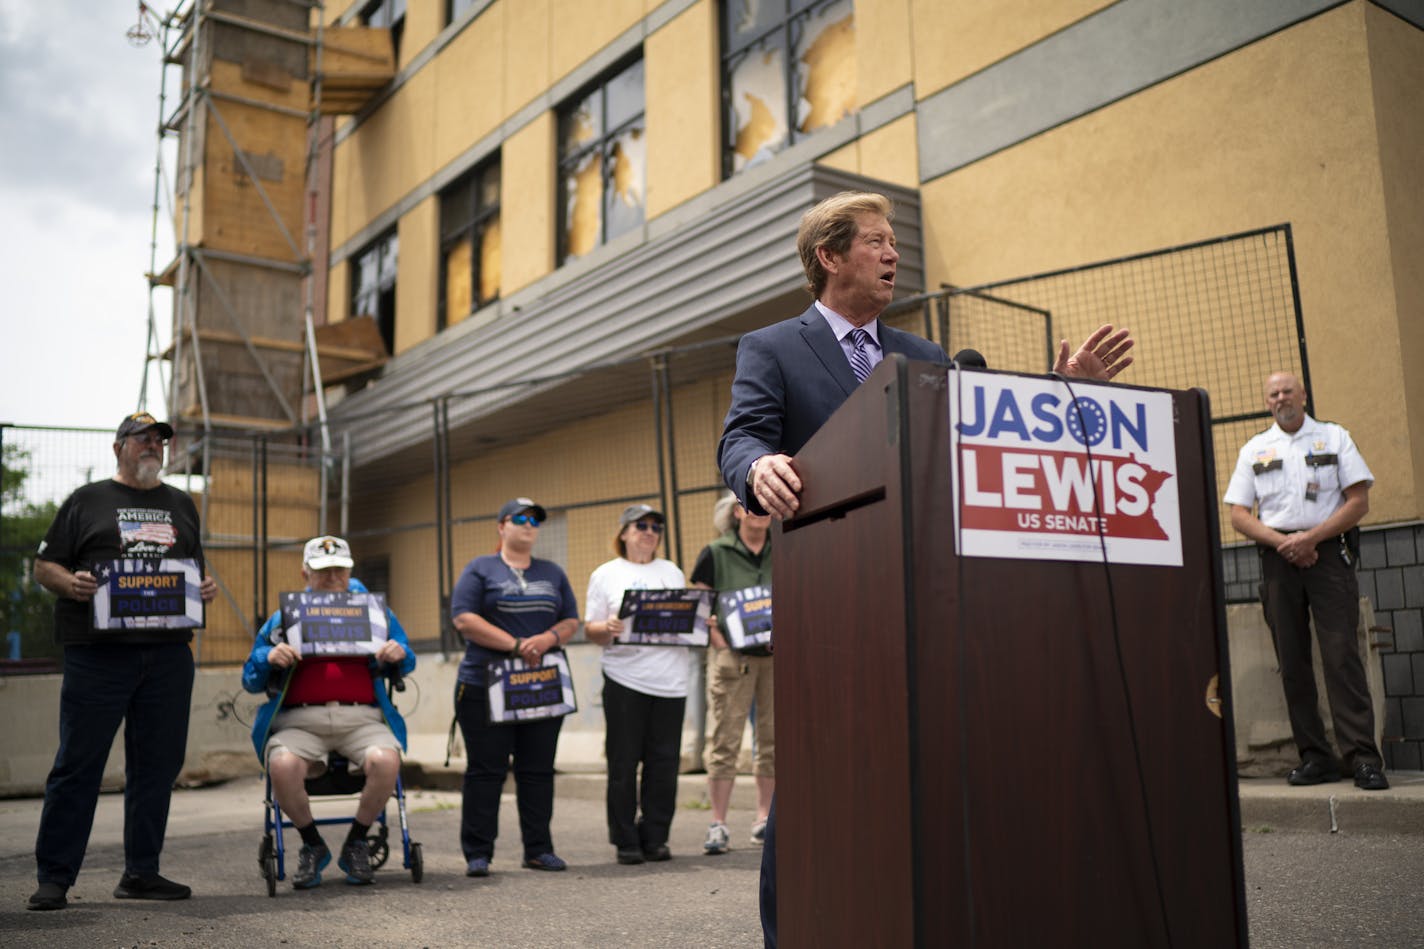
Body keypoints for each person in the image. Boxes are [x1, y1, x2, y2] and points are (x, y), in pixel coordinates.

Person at [716, 191, 1136, 946]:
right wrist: (759, 468)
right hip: (830, 596)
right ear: (829, 256)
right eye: (875, 241)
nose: (892, 253)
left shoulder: (923, 356)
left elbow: (978, 444)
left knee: (922, 765)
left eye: (893, 242)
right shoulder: (771, 347)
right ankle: (793, 929)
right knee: (816, 772)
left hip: (931, 592)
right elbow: (740, 439)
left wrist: (1060, 396)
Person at [27, 413, 219, 911]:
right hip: (98, 655)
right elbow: (44, 565)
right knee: (78, 765)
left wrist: (204, 588)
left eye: (159, 439)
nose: (154, 445)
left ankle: (141, 872)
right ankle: (55, 877)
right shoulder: (86, 500)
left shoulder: (181, 503)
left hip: (169, 655)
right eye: (143, 438)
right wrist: (71, 584)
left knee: (157, 767)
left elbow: (193, 569)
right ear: (119, 448)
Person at [1224, 370, 1388, 791]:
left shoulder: (1335, 438)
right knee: (1293, 663)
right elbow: (1239, 513)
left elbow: (1359, 501)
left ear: (1303, 395)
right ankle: (1315, 758)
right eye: (1274, 393)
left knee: (1341, 658)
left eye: (1288, 391)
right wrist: (1286, 544)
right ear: (1268, 402)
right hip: (1279, 561)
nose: (1282, 398)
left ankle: (1363, 759)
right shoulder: (1255, 448)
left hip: (1329, 555)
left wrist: (1311, 539)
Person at [241, 535, 417, 888]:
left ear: (350, 568)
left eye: (339, 569)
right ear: (304, 572)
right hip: (299, 722)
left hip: (362, 719)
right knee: (282, 764)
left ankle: (356, 841)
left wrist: (399, 654)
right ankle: (312, 844)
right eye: (323, 571)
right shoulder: (285, 617)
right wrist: (267, 656)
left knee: (387, 760)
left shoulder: (375, 613)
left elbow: (407, 657)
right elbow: (251, 678)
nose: (333, 577)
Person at [450, 498, 580, 876]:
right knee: (486, 770)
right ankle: (478, 853)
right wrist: (516, 645)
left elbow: (571, 619)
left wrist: (549, 637)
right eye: (520, 518)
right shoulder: (480, 568)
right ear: (501, 526)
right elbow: (464, 619)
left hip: (541, 685)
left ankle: (539, 849)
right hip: (484, 686)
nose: (529, 525)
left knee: (538, 770)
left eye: (535, 520)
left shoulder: (552, 572)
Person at [584, 503, 691, 865]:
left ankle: (656, 837)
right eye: (641, 525)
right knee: (623, 761)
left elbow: (681, 618)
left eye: (656, 527)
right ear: (625, 533)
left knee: (664, 763)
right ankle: (625, 839)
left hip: (671, 682)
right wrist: (607, 628)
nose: (649, 532)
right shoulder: (606, 574)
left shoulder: (672, 572)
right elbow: (591, 631)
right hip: (624, 679)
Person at [691, 491, 775, 856]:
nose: (759, 513)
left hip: (776, 658)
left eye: (765, 507)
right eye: (751, 505)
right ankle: (719, 824)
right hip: (732, 659)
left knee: (773, 741)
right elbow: (699, 605)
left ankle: (764, 820)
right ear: (737, 511)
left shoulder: (784, 546)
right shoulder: (716, 552)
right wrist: (720, 643)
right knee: (725, 739)